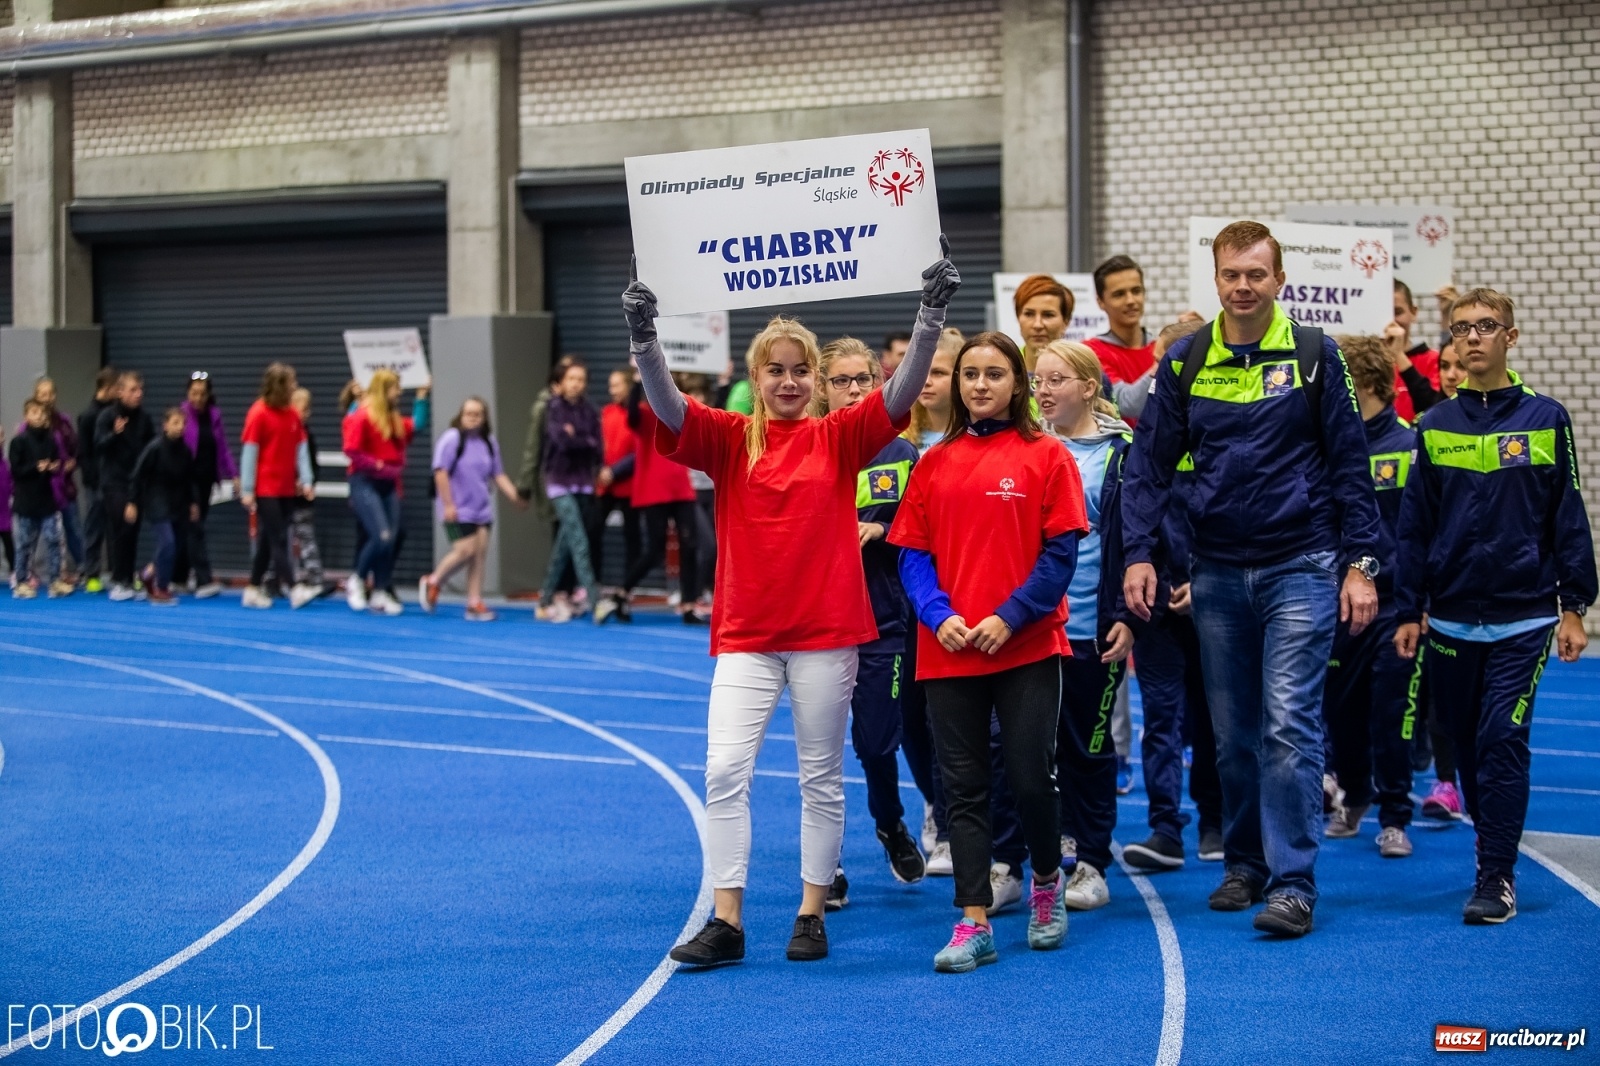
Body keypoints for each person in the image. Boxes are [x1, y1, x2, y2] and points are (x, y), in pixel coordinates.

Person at [628, 238, 959, 968]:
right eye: (774, 370)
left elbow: (900, 393)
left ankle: (811, 911)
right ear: (756, 377)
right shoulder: (725, 436)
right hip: (747, 634)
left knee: (820, 775)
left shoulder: (840, 436)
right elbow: (666, 404)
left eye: (799, 370)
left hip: (826, 633)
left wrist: (929, 314)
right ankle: (728, 919)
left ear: (815, 379)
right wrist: (644, 339)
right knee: (723, 771)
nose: (787, 380)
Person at [1122, 220, 1382, 938]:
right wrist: (1140, 553)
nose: (1243, 286)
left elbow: (1350, 468)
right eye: (1231, 274)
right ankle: (1245, 863)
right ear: (1216, 280)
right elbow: (1147, 467)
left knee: (1287, 727)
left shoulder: (1313, 355)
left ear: (1278, 280)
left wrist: (1361, 565)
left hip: (1300, 564)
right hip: (1215, 572)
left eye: (1256, 275)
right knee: (1233, 734)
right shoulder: (1184, 361)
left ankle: (1294, 882)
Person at [1395, 288, 1596, 924]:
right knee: (1470, 746)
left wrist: (1574, 604)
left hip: (1526, 615)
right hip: (1451, 617)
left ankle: (1495, 875)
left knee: (1502, 736)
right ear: (1451, 342)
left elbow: (1567, 514)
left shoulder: (1545, 418)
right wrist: (1409, 607)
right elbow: (1414, 527)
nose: (1473, 337)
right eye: (1462, 329)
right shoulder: (1433, 427)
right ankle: (1491, 841)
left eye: (1486, 326)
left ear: (1511, 337)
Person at [891, 329, 1086, 971]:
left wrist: (1010, 615)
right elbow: (913, 552)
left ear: (1017, 384)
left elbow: (1060, 556)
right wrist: (937, 613)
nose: (979, 384)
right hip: (948, 648)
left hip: (1026, 643)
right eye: (969, 373)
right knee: (962, 789)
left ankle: (1047, 882)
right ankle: (973, 919)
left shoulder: (1046, 456)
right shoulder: (932, 462)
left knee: (1032, 777)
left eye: (994, 374)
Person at [816, 336, 932, 900]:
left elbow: (926, 530)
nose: (856, 389)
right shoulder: (807, 447)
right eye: (843, 381)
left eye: (865, 379)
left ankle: (890, 824)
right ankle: (826, 866)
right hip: (816, 625)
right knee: (820, 750)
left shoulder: (900, 452)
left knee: (877, 742)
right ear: (822, 388)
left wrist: (882, 531)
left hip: (884, 622)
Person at [1032, 339, 1140, 910]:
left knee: (1088, 746)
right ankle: (1050, 844)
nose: (1044, 391)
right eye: (1038, 381)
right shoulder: (1024, 446)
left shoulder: (1121, 452)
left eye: (1057, 380)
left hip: (1092, 625)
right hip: (1030, 624)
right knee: (1031, 747)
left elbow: (1138, 538)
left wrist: (1124, 616)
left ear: (1090, 387)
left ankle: (1093, 860)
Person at [1119, 317, 1226, 872]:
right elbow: (1137, 517)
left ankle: (1215, 819)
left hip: (1220, 595)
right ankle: (1166, 828)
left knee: (1215, 718)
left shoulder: (1228, 431)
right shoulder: (1143, 438)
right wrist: (1157, 575)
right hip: (1157, 606)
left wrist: (1204, 580)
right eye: (1164, 361)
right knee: (1162, 718)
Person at [1318, 336, 1417, 856]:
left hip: (1394, 606)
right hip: (1338, 605)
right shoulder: (1331, 448)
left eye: (1346, 387)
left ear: (1373, 386)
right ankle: (1355, 795)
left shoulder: (1409, 444)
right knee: (1342, 711)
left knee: (1390, 710)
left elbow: (1420, 531)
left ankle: (1396, 813)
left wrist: (1416, 603)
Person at [606, 371, 705, 625]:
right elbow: (632, 415)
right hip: (654, 490)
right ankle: (622, 591)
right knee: (655, 550)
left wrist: (723, 383)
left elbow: (709, 413)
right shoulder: (644, 415)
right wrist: (639, 379)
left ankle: (689, 603)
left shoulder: (681, 415)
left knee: (690, 545)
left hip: (679, 487)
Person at [420, 397, 524, 621]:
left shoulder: (489, 442)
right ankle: (433, 580)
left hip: (481, 510)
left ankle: (474, 602)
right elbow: (440, 472)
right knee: (464, 550)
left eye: (477, 414)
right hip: (455, 511)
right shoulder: (452, 439)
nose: (473, 418)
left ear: (484, 417)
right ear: (461, 415)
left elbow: (498, 474)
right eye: (468, 413)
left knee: (478, 555)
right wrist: (448, 505)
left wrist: (515, 496)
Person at [343, 368, 428, 615]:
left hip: (388, 483)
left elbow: (417, 426)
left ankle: (380, 589)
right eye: (395, 389)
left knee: (391, 537)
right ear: (383, 390)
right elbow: (351, 449)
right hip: (365, 481)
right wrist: (377, 464)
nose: (399, 393)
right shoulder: (362, 417)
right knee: (381, 535)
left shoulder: (393, 420)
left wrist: (422, 398)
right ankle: (357, 580)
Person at [242, 363, 319, 611]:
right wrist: (247, 488)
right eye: (291, 383)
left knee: (267, 539)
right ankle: (295, 587)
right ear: (279, 386)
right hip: (265, 488)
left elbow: (301, 450)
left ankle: (253, 588)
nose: (295, 387)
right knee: (278, 538)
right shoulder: (258, 413)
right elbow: (250, 453)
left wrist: (306, 481)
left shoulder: (293, 415)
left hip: (286, 488)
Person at [538, 358, 607, 624]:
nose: (576, 384)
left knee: (564, 545)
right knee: (578, 542)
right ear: (561, 382)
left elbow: (596, 444)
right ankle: (595, 601)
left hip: (583, 482)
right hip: (559, 482)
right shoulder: (553, 408)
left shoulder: (590, 411)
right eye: (571, 379)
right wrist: (582, 440)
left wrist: (577, 437)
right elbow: (561, 442)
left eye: (581, 379)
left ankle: (544, 600)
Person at [95, 371, 157, 601]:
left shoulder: (144, 419)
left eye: (140, 390)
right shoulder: (107, 417)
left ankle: (129, 579)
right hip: (114, 483)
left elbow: (151, 449)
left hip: (136, 482)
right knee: (121, 528)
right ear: (120, 392)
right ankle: (119, 579)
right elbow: (97, 446)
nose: (138, 394)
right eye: (133, 390)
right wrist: (115, 434)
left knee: (133, 531)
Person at [176, 371, 239, 598]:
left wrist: (234, 474)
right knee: (195, 529)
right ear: (188, 393)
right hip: (186, 480)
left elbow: (222, 448)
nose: (198, 398)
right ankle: (203, 580)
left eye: (202, 393)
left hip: (206, 480)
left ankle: (178, 577)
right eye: (194, 393)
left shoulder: (214, 415)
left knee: (190, 528)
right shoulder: (182, 414)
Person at [129, 407, 198, 607]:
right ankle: (161, 587)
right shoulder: (155, 448)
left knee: (172, 547)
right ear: (165, 425)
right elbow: (137, 475)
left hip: (178, 504)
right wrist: (133, 502)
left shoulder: (185, 451)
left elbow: (189, 479)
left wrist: (193, 503)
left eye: (182, 424)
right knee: (167, 543)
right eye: (175, 423)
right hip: (156, 503)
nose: (179, 427)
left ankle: (147, 574)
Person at [23, 378, 83, 588]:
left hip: (64, 487)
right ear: (36, 397)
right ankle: (27, 574)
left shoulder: (64, 422)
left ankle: (78, 569)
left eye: (50, 394)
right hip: (38, 491)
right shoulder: (25, 431)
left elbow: (75, 448)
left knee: (70, 530)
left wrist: (71, 462)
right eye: (42, 394)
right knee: (32, 535)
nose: (47, 399)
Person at [8, 399, 71, 599]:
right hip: (26, 502)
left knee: (54, 540)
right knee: (24, 544)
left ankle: (55, 581)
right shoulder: (19, 441)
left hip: (47, 500)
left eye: (42, 414)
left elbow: (57, 463)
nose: (39, 417)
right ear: (26, 416)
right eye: (34, 413)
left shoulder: (51, 439)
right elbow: (16, 471)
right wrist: (36, 467)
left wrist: (53, 468)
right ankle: (21, 582)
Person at [1085, 256, 1158, 423]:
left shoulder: (1158, 347)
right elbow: (1127, 405)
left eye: (1136, 291)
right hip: (1120, 449)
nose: (1131, 300)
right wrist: (1167, 358)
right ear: (1100, 302)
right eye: (1119, 294)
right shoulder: (1091, 353)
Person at [595, 367, 641, 603]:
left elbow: (638, 451)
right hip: (605, 485)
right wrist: (602, 470)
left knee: (632, 538)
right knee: (593, 532)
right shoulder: (606, 413)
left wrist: (615, 471)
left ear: (627, 386)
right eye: (610, 386)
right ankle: (594, 584)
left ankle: (627, 588)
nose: (612, 390)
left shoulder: (637, 414)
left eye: (616, 385)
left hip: (628, 486)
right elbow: (598, 445)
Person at [76, 367, 119, 592]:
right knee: (94, 527)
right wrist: (92, 479)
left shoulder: (116, 414)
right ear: (107, 388)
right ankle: (91, 572)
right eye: (117, 389)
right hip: (95, 481)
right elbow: (84, 452)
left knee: (116, 528)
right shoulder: (88, 416)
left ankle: (118, 572)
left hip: (113, 480)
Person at [1384, 279, 1444, 420]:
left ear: (1413, 312)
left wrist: (1399, 356)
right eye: (1385, 314)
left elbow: (1434, 407)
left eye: (1397, 312)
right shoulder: (1364, 365)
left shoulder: (1434, 360)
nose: (1391, 322)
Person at [288, 387, 325, 594]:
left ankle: (314, 577)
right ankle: (276, 577)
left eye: (306, 410)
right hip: (284, 495)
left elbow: (313, 465)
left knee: (306, 536)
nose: (303, 414)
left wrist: (308, 484)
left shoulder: (308, 437)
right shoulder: (286, 435)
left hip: (303, 497)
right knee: (280, 537)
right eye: (300, 409)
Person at [906, 327, 962, 454]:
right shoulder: (902, 438)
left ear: (960, 377)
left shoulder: (979, 435)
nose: (926, 382)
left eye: (938, 373)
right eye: (920, 372)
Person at [1013, 274, 1072, 373]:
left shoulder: (1083, 371)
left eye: (1048, 315)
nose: (1038, 325)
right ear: (1018, 317)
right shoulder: (1004, 366)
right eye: (1029, 314)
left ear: (1066, 321)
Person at [0, 425, 13, 582]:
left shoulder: (5, 463)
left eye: (2, 436)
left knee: (8, 542)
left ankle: (14, 573)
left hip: (3, 511)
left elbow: (11, 483)